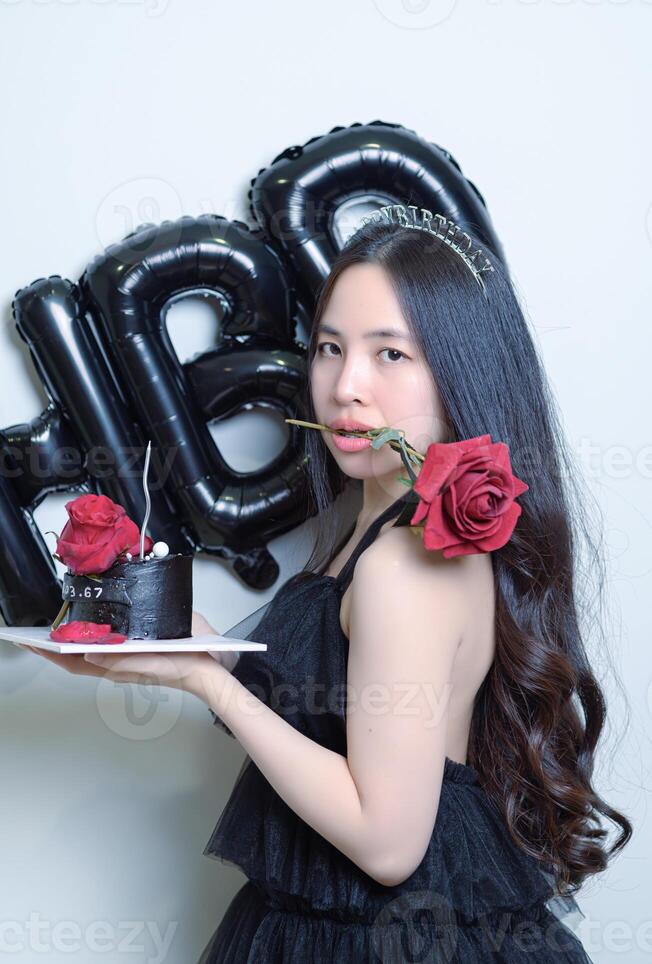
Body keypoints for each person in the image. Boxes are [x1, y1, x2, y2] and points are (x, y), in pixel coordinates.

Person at [28, 204, 632, 962]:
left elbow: (387, 842)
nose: (346, 386)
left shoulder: (406, 563)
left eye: (391, 355)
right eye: (329, 347)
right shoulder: (370, 529)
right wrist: (204, 654)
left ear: (461, 371)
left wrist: (207, 685)